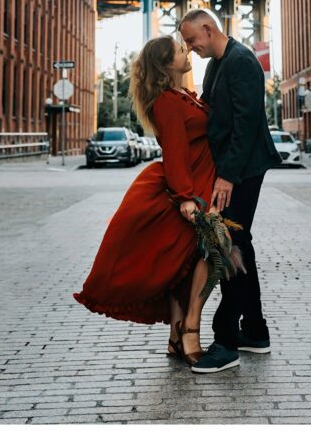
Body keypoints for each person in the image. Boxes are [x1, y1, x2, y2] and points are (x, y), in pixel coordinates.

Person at [74, 36, 218, 366]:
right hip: (186, 187)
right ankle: (187, 330)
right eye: (182, 50)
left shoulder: (183, 95)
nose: (188, 52)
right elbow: (176, 151)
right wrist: (185, 198)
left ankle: (175, 336)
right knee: (206, 253)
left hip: (198, 182)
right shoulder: (167, 101)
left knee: (183, 261)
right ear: (167, 64)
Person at [179, 9, 282, 374]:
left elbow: (247, 124)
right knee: (240, 243)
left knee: (228, 245)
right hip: (232, 169)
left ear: (208, 29)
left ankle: (226, 342)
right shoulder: (217, 64)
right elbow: (210, 111)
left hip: (243, 169)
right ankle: (254, 331)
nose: (190, 49)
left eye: (192, 40)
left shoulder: (241, 62)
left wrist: (227, 177)